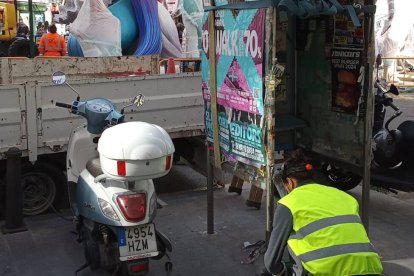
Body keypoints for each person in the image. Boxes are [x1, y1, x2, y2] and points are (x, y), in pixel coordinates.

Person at [261, 149, 383, 276]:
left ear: (290, 183)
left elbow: (271, 262)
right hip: (370, 270)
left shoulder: (289, 203)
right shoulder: (345, 197)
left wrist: (281, 272)